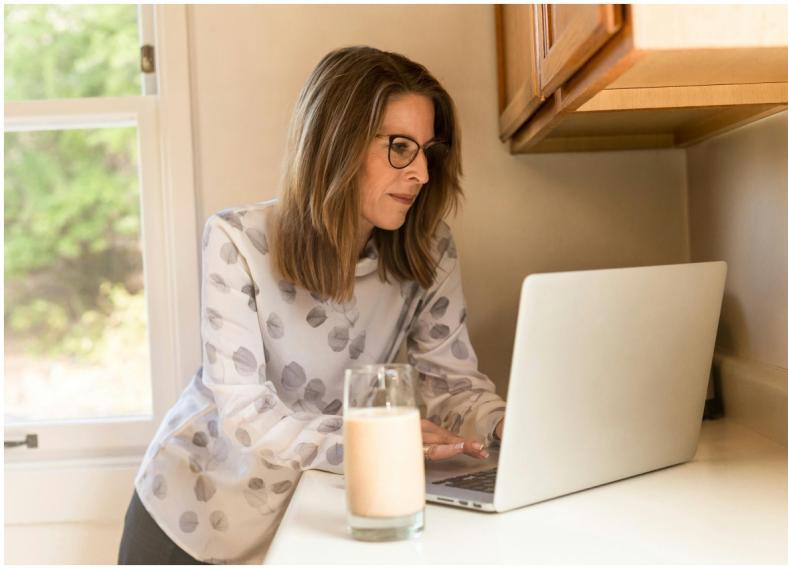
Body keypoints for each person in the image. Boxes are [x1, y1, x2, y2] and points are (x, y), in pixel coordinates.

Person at [117, 45, 506, 565]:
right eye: (399, 147)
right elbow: (247, 416)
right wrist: (376, 441)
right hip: (193, 514)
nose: (422, 174)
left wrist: (509, 426)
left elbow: (451, 386)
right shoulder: (237, 241)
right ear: (335, 144)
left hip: (310, 515)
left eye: (427, 152)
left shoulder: (430, 251)